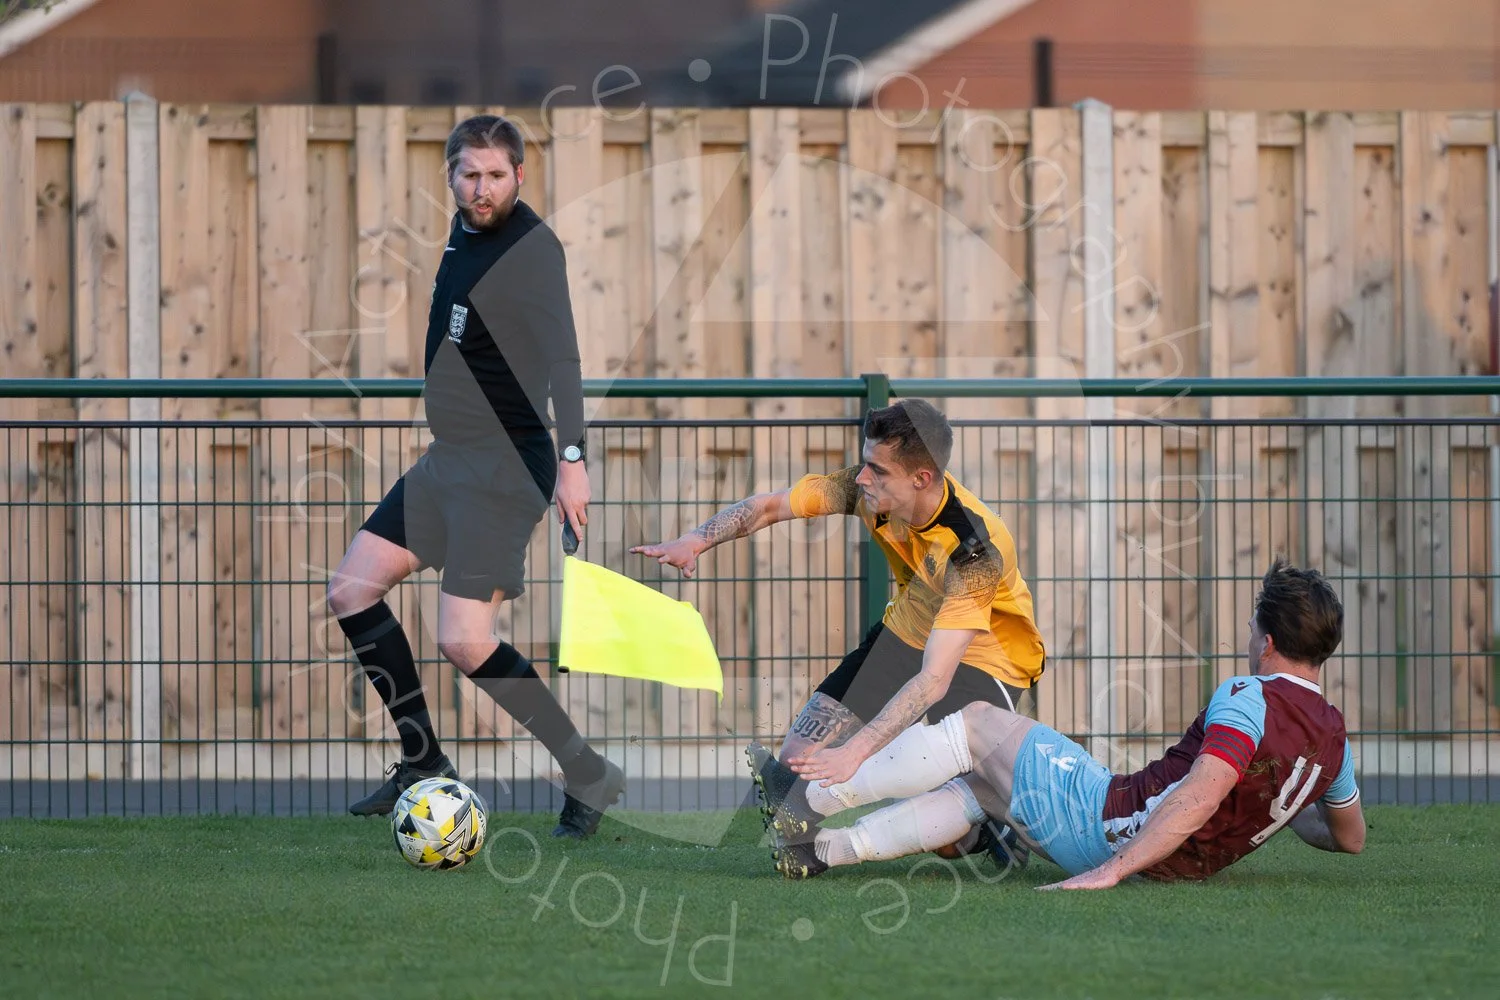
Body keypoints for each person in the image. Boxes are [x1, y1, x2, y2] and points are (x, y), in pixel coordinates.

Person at [326, 115, 624, 838]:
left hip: (502, 467)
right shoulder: (464, 231)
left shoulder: (532, 250)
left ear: (520, 176)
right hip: (448, 461)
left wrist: (573, 463)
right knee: (352, 589)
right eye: (468, 174)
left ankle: (587, 770)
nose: (481, 187)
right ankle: (423, 760)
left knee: (463, 638)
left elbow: (565, 363)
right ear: (452, 177)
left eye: (495, 175)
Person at [758, 559, 1367, 882]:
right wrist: (1274, 806)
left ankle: (809, 797)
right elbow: (1349, 838)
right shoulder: (1332, 737)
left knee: (976, 722)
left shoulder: (1248, 694)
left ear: (1265, 640)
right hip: (1166, 858)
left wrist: (1111, 872)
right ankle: (823, 853)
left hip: (1109, 828)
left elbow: (1199, 797)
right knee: (979, 783)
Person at [631, 398, 1047, 865]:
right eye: (865, 462)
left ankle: (988, 827)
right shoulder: (866, 489)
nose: (861, 477)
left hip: (987, 662)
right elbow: (769, 507)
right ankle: (809, 848)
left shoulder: (975, 548)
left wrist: (856, 753)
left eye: (877, 469)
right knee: (792, 771)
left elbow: (934, 680)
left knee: (941, 832)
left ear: (921, 479)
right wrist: (696, 540)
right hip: (906, 631)